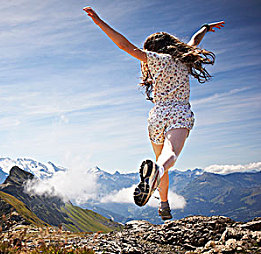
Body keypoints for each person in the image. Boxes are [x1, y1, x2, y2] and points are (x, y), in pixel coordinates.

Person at [83, 7, 224, 220]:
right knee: (170, 155)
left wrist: (99, 22)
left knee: (161, 160)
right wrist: (205, 27)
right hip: (179, 112)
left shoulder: (155, 60)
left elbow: (124, 45)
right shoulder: (184, 57)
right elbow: (195, 40)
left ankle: (164, 205)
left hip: (156, 116)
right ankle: (156, 176)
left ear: (153, 49)